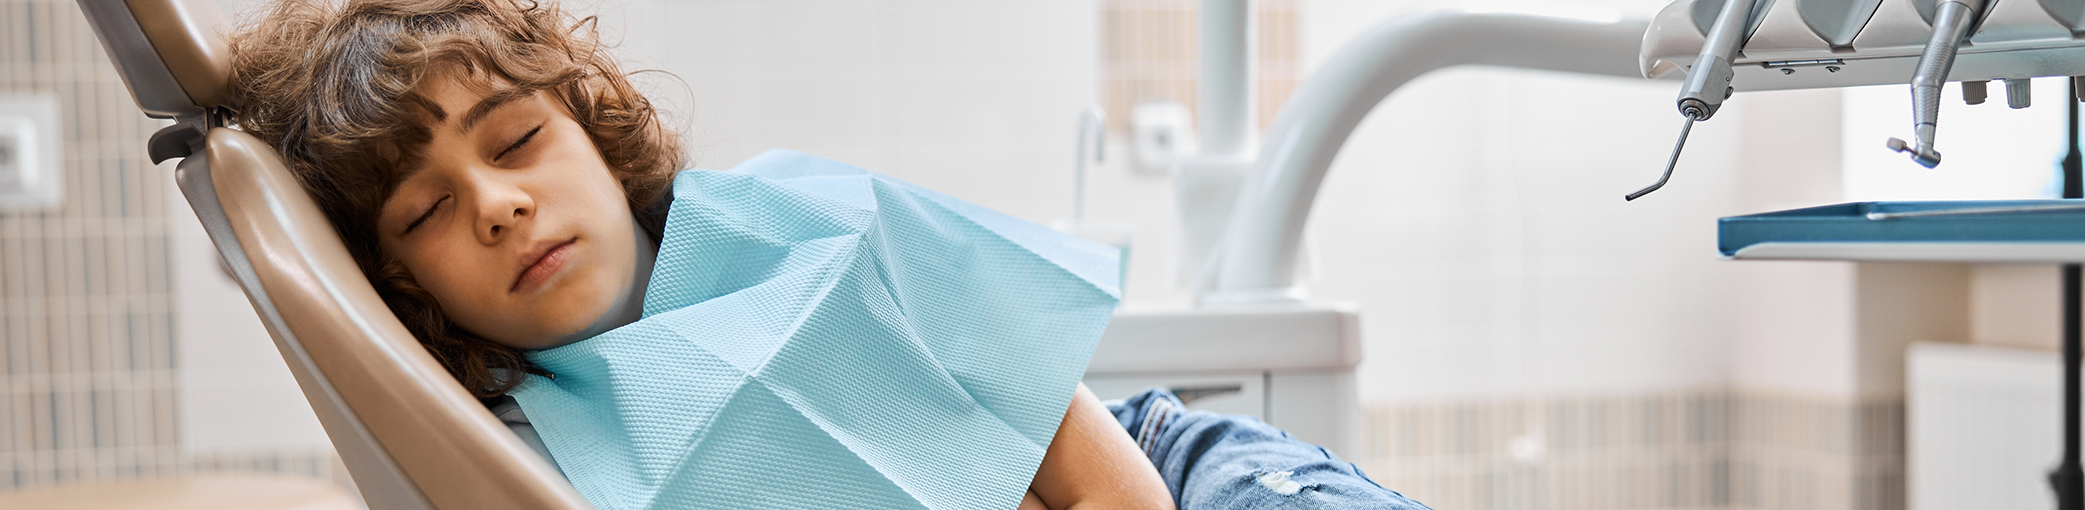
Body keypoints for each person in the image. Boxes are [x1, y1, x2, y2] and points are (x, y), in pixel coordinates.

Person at [224, 1, 1427, 509]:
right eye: (424, 214)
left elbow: (1092, 467)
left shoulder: (796, 221)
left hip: (1155, 476)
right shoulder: (525, 445)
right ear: (401, 285)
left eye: (520, 139)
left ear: (591, 130)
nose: (494, 206)